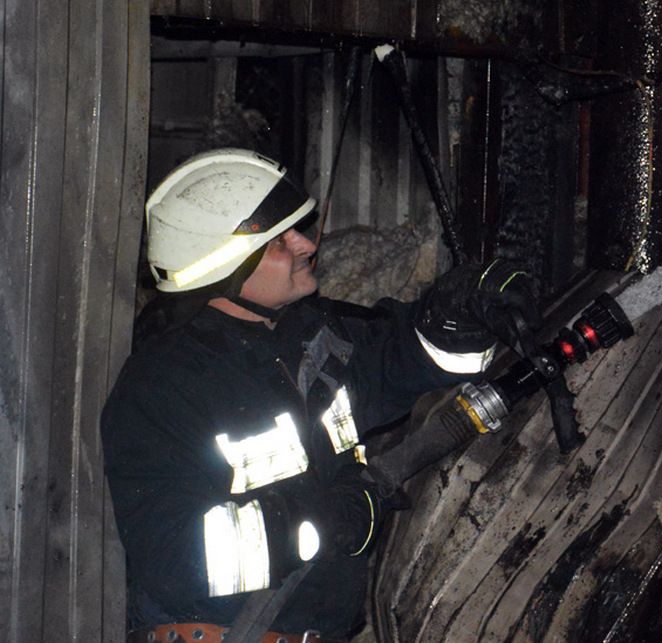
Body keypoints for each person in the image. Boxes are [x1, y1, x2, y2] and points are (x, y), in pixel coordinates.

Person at [101, 148, 538, 642]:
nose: (306, 244)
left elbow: (410, 356)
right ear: (224, 263)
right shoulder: (163, 385)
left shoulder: (316, 338)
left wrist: (461, 309)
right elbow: (178, 559)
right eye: (280, 240)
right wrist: (321, 522)